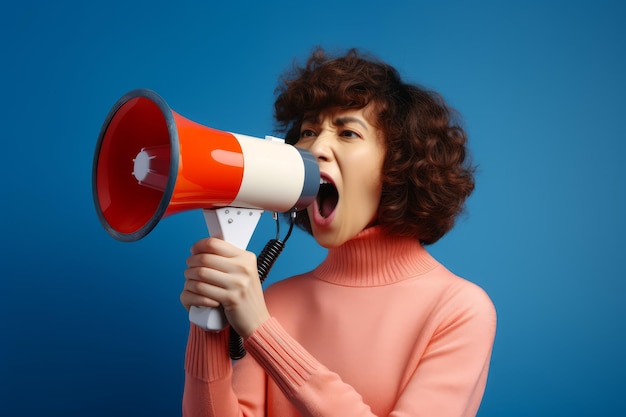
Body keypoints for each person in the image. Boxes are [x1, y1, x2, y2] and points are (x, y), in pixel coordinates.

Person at [180, 47, 496, 417]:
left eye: (347, 132)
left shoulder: (459, 310)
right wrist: (208, 323)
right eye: (309, 132)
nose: (315, 148)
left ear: (399, 164)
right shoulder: (276, 300)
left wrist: (261, 330)